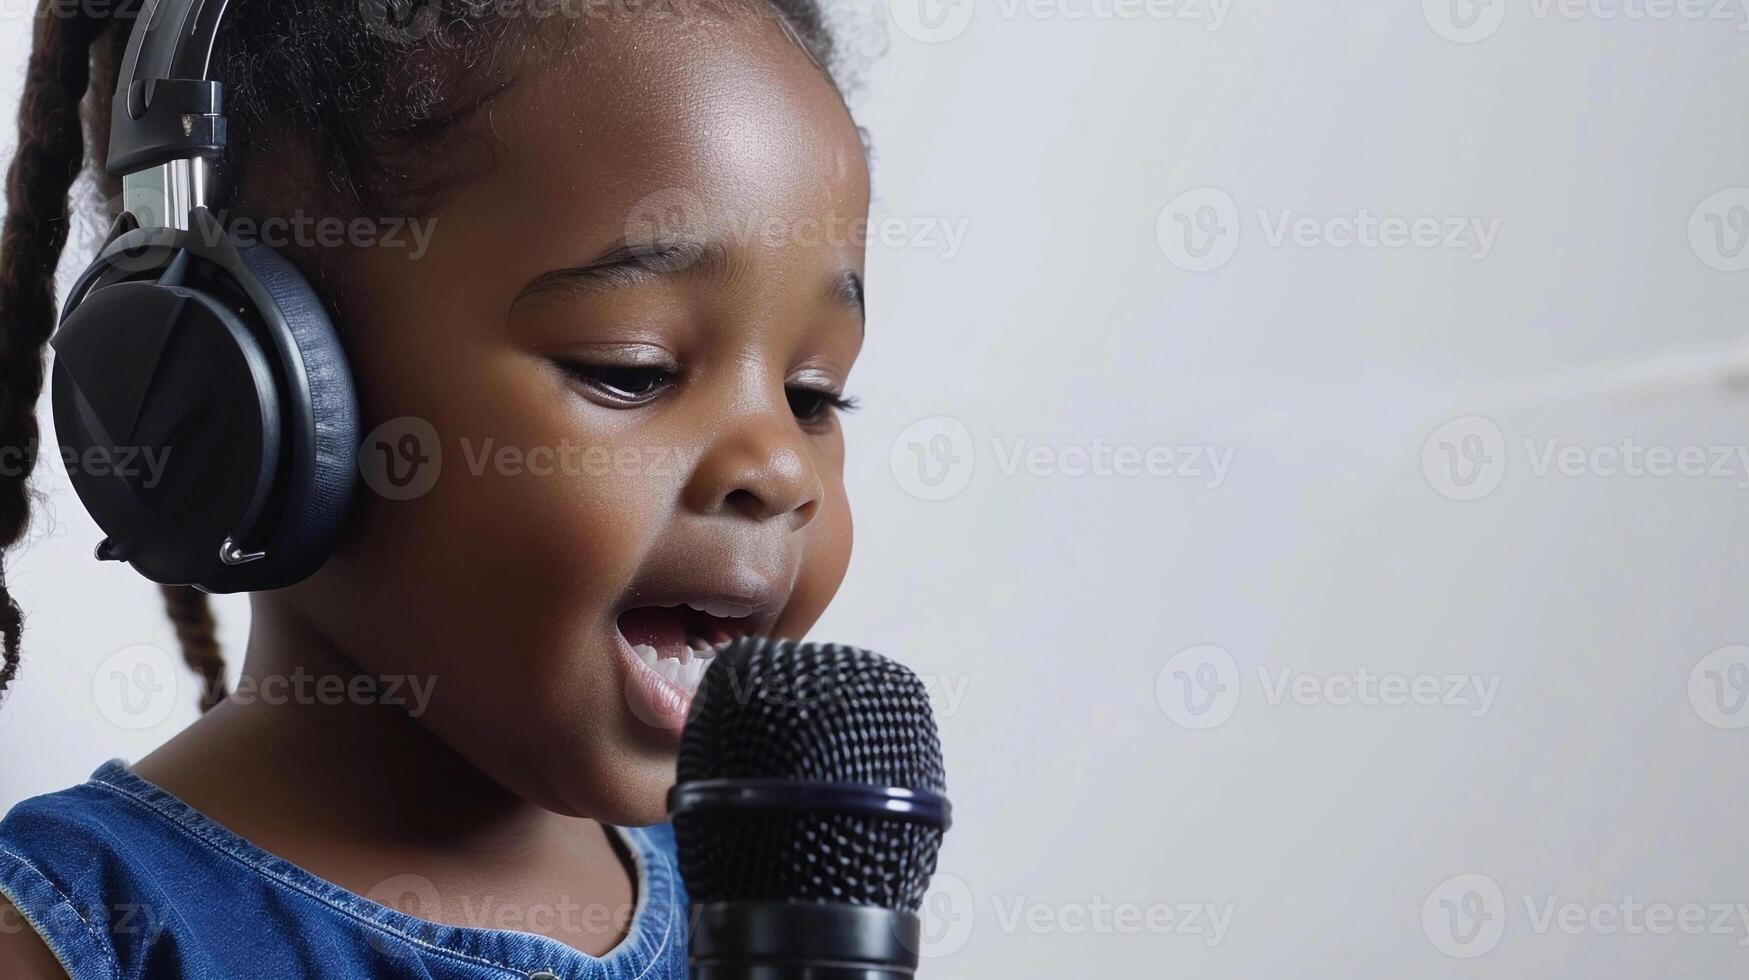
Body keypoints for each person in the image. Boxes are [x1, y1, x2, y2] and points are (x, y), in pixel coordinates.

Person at [0, 1, 869, 975]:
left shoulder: (757, 900)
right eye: (631, 368)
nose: (781, 468)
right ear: (249, 390)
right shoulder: (75, 936)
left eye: (813, 395)